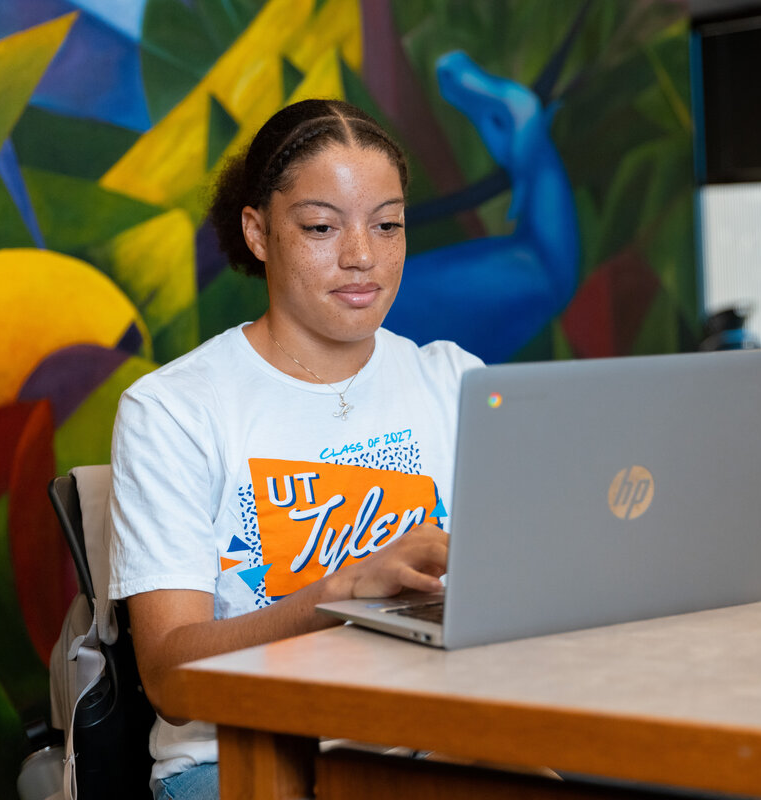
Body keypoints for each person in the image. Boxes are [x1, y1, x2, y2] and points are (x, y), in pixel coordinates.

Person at [107, 98, 484, 799]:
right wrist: (343, 592)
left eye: (388, 225)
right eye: (320, 226)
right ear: (257, 231)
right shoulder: (174, 410)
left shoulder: (455, 379)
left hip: (430, 737)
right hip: (238, 757)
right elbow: (168, 679)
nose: (362, 257)